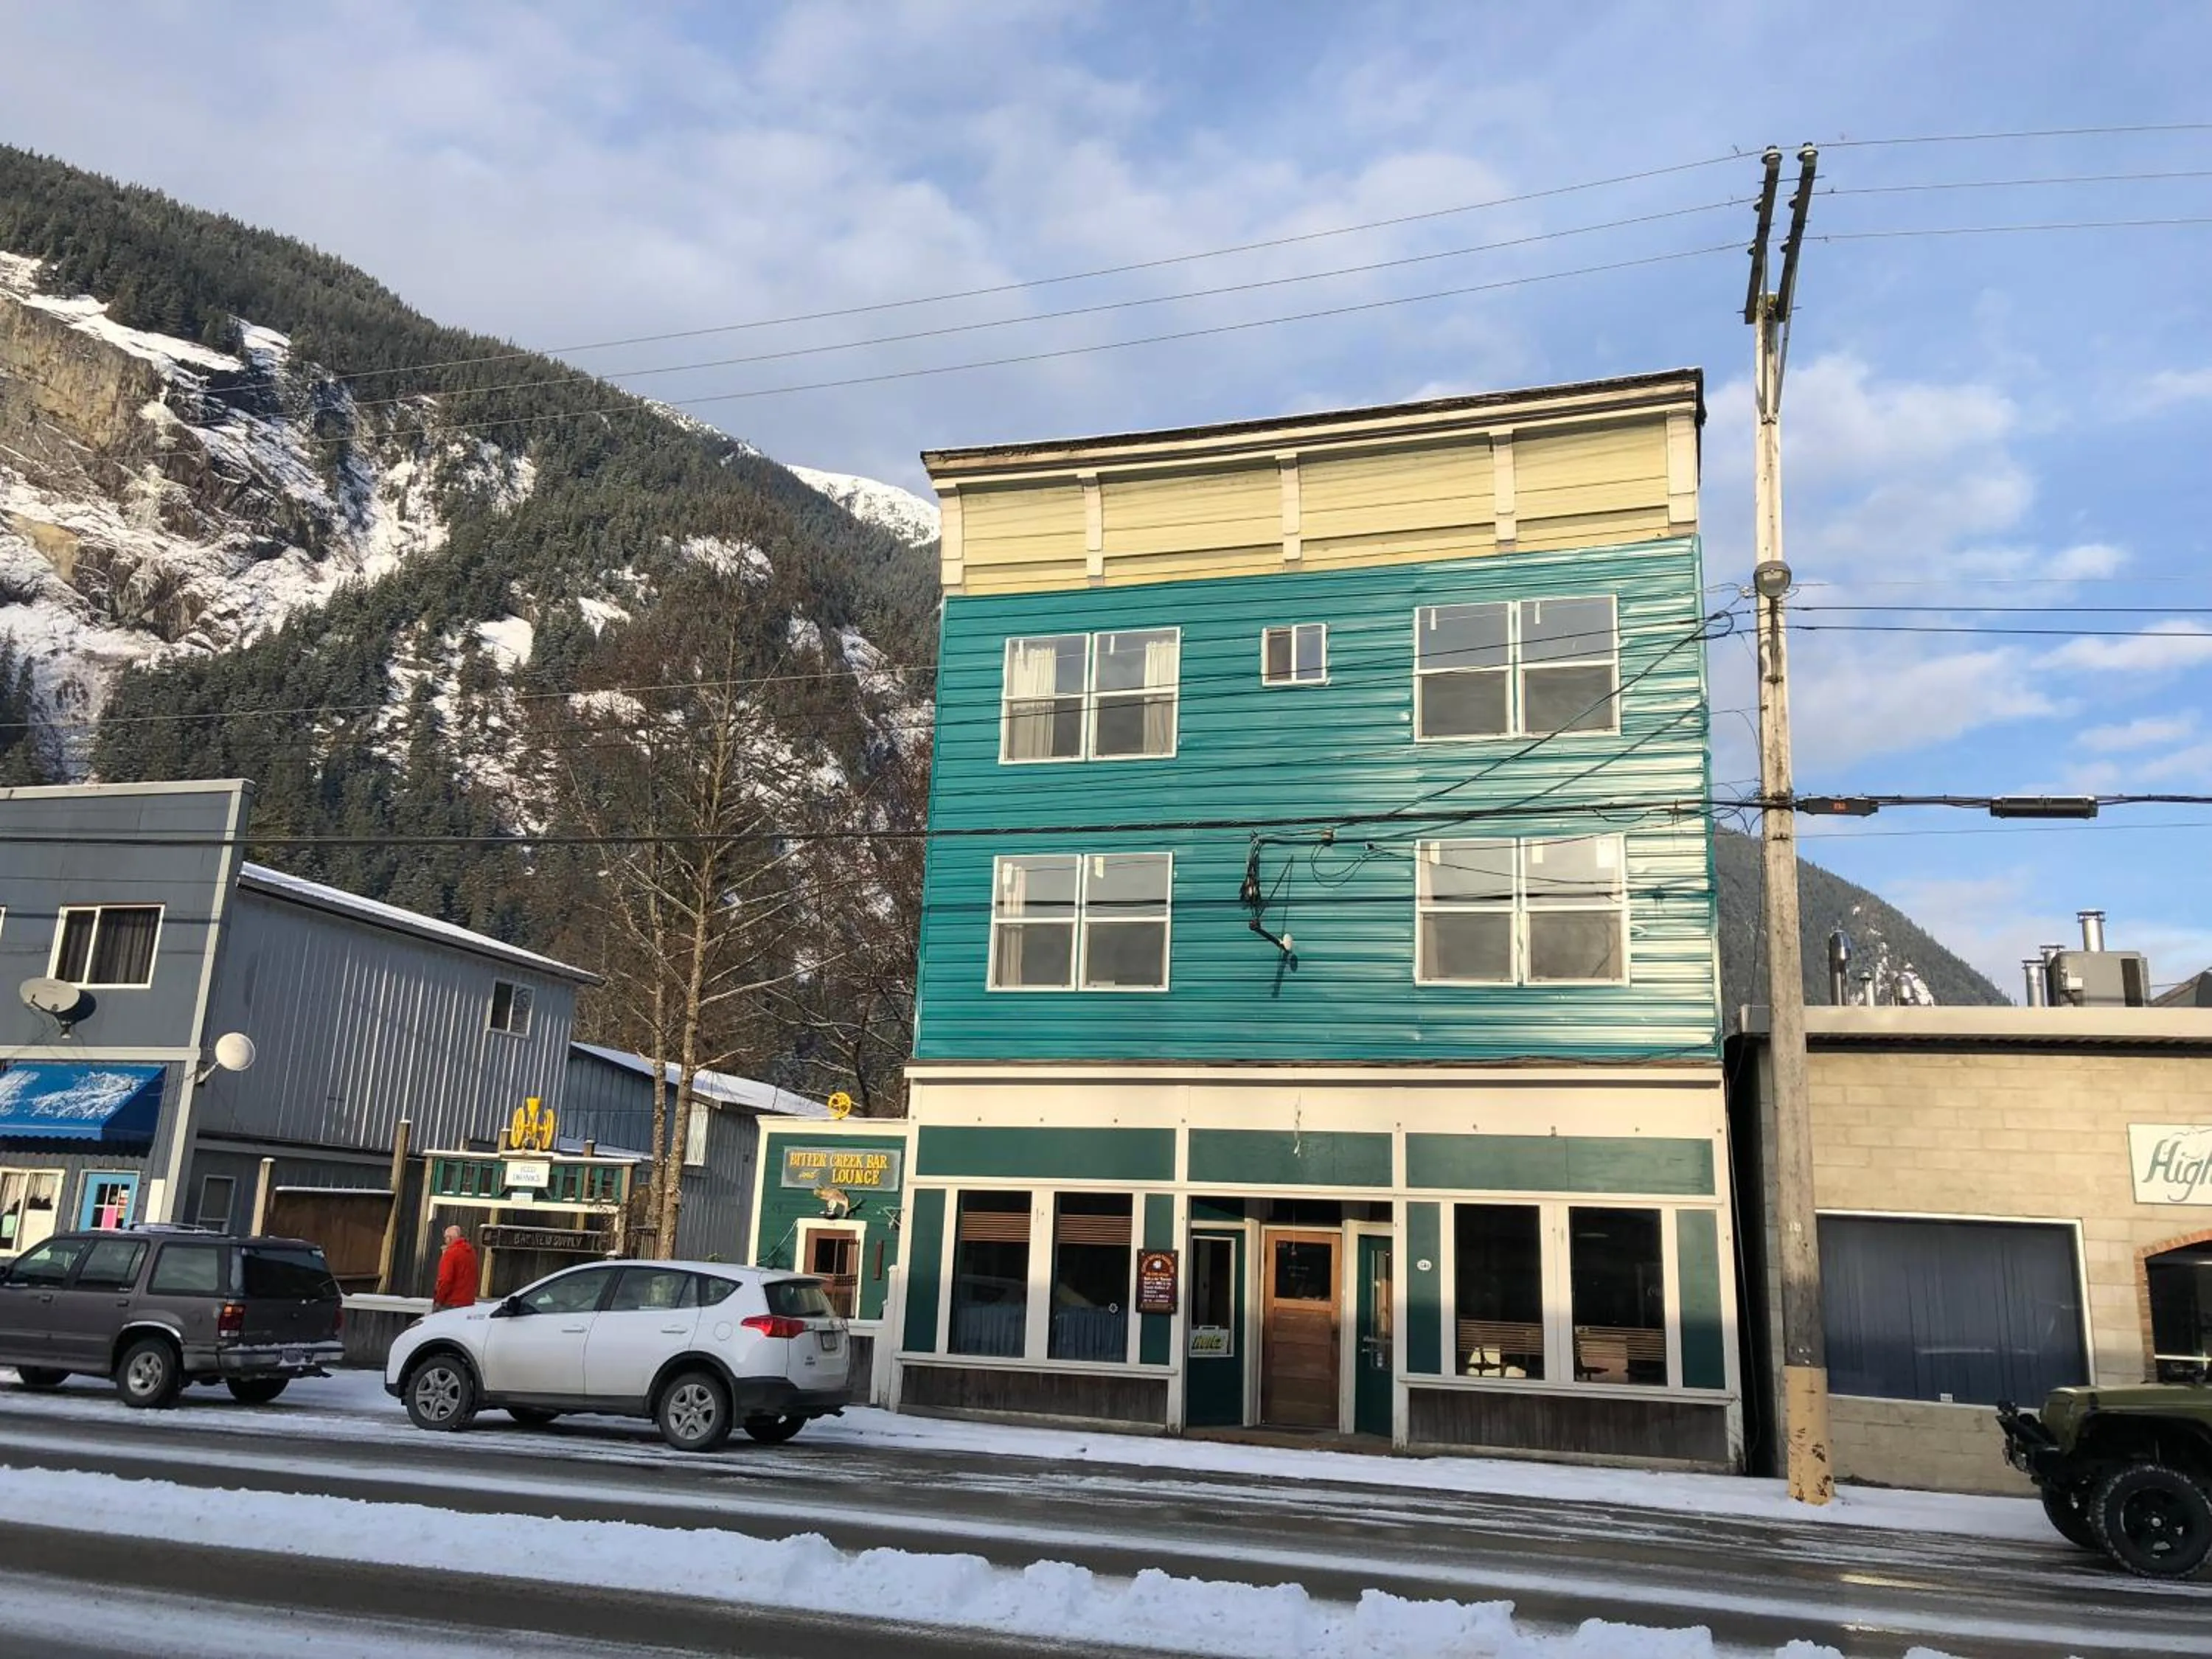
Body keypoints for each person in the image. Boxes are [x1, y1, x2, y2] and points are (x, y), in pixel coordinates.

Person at [433, 1224, 479, 1311]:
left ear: (449, 1238)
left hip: (451, 1303)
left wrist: (438, 1300)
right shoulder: (471, 1252)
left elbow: (445, 1280)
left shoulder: (450, 1254)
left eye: (445, 1238)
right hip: (468, 1303)